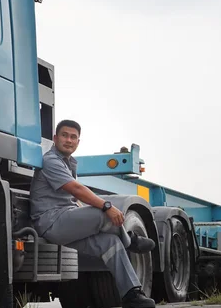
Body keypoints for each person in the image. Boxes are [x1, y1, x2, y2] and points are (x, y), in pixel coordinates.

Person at [29, 119, 156, 308]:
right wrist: (106, 206)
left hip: (65, 221)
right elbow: (76, 189)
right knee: (105, 214)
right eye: (64, 135)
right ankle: (131, 240)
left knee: (110, 243)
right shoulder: (51, 161)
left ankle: (131, 295)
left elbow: (75, 199)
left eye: (73, 137)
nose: (69, 140)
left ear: (78, 142)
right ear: (55, 138)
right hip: (52, 221)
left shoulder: (68, 163)